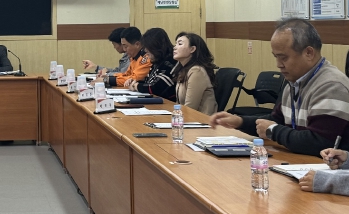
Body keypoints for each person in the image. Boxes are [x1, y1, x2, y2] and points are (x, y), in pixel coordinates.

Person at [210, 18, 349, 156]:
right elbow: (276, 120)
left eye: (283, 58)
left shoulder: (331, 86)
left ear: (309, 53)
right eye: (276, 57)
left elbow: (319, 142)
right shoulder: (294, 82)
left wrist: (273, 131)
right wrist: (240, 122)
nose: (278, 64)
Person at [173, 32, 217, 114]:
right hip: (187, 117)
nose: (175, 47)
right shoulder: (183, 70)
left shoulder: (197, 71)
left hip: (201, 119)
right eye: (176, 44)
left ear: (192, 49)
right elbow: (179, 104)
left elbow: (190, 108)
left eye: (180, 44)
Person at [127, 28, 176, 100]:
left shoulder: (170, 62)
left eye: (147, 47)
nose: (145, 50)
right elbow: (149, 82)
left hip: (169, 103)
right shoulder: (157, 61)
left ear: (155, 46)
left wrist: (136, 86)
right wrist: (135, 82)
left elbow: (156, 88)